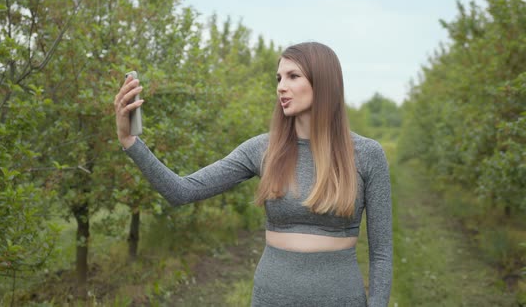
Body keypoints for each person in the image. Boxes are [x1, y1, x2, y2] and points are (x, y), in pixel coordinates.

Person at [114, 42, 392, 307]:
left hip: (340, 298)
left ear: (323, 83)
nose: (281, 87)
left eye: (293, 76)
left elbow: (381, 254)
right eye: (279, 78)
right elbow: (182, 191)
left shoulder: (367, 154)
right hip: (272, 297)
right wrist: (130, 142)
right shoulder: (263, 149)